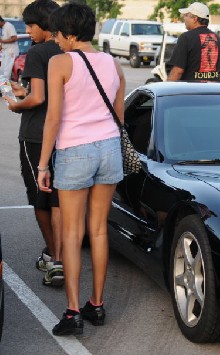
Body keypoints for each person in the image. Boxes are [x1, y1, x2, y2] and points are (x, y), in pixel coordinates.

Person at [38, 3, 125, 336]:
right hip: (108, 149)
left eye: (59, 34)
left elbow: (54, 118)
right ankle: (97, 305)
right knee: (99, 229)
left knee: (72, 235)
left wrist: (44, 163)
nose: (57, 41)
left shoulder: (60, 62)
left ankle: (73, 312)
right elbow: (119, 117)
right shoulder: (113, 63)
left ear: (71, 33)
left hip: (75, 150)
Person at [3, 0, 63, 287]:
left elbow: (38, 99)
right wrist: (25, 90)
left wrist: (17, 104)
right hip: (65, 134)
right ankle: (61, 254)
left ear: (44, 25)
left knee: (40, 197)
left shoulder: (39, 52)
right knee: (59, 199)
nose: (27, 31)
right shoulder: (68, 50)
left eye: (30, 25)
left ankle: (54, 256)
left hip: (37, 134)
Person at [167, 2, 220, 82]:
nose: (184, 18)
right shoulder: (218, 40)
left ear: (195, 19)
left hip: (191, 92)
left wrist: (165, 88)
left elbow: (177, 71)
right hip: (212, 92)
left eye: (186, 15)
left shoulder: (185, 38)